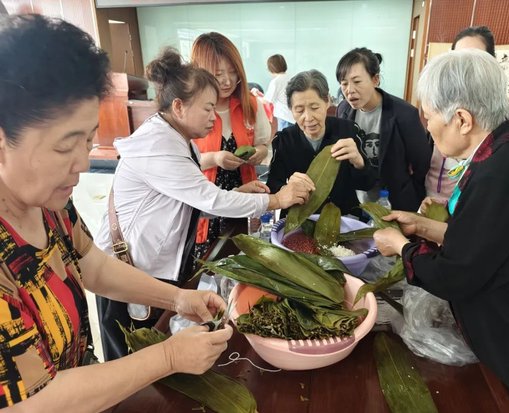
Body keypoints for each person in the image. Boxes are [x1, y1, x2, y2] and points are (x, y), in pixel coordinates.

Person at [0, 14, 232, 411]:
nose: (83, 163)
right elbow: (33, 403)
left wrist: (176, 298)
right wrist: (169, 356)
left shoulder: (48, 203)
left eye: (88, 140)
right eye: (65, 146)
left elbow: (92, 265)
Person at [95, 47, 314, 361]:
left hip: (149, 266)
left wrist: (240, 189)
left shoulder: (177, 137)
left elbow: (191, 198)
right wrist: (277, 199)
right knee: (130, 361)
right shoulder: (159, 143)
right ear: (180, 106)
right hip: (126, 270)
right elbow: (209, 197)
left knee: (151, 350)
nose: (214, 117)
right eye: (208, 108)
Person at [373, 49, 509, 412]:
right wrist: (423, 226)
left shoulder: (497, 178)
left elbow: (455, 274)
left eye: (429, 116)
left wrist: (403, 246)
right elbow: (486, 242)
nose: (427, 127)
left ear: (462, 120)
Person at [190, 32, 271, 258]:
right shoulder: (192, 110)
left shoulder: (250, 103)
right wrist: (215, 159)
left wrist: (259, 153)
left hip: (245, 198)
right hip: (207, 202)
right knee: (208, 262)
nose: (227, 80)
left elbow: (265, 144)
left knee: (243, 255)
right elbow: (182, 164)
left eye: (232, 71)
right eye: (218, 74)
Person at [267, 69, 377, 216]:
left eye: (314, 108)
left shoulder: (348, 131)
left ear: (327, 102)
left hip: (344, 219)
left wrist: (359, 162)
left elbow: (367, 184)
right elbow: (272, 187)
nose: (308, 117)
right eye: (299, 110)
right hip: (300, 220)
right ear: (290, 110)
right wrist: (286, 188)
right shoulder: (284, 140)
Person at [336, 47, 431, 211]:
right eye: (344, 84)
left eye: (357, 82)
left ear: (375, 80)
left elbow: (422, 165)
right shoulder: (343, 109)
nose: (349, 90)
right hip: (357, 203)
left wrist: (411, 198)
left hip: (393, 204)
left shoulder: (404, 114)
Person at [425, 25, 497, 201]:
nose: (463, 69)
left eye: (473, 60)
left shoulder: (496, 121)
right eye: (457, 59)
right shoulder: (438, 102)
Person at [263, 54, 295, 131]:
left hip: (284, 117)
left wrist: (256, 94)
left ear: (271, 68)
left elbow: (267, 101)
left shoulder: (276, 81)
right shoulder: (292, 78)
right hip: (294, 116)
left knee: (284, 140)